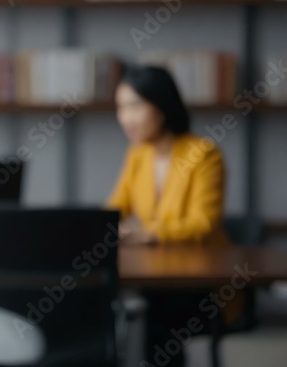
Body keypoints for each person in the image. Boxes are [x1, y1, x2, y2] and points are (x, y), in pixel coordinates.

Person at [106, 64, 233, 367]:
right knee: (106, 303)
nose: (126, 118)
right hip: (154, 275)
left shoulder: (203, 154)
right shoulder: (137, 155)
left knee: (152, 314)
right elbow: (113, 209)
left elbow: (203, 223)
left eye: (135, 106)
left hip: (198, 282)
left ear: (162, 104)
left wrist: (151, 234)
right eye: (120, 108)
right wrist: (97, 228)